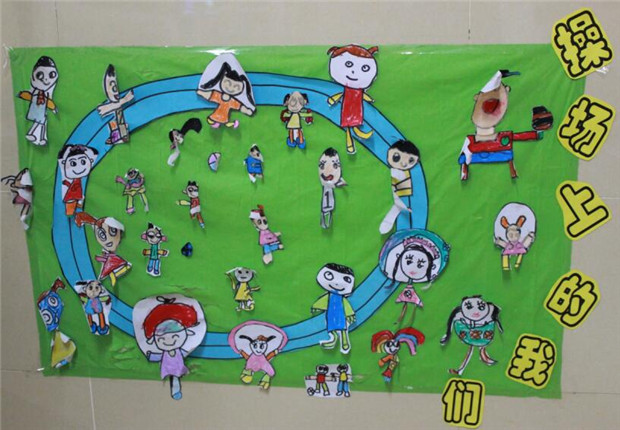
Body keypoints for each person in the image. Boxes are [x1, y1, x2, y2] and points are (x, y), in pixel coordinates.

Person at [327, 45, 379, 154]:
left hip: (356, 109)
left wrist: (369, 99)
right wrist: (333, 99)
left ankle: (357, 135)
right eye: (348, 64)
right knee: (348, 126)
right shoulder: (347, 89)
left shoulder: (358, 90)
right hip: (347, 108)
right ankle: (351, 142)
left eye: (364, 68)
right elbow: (341, 94)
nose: (354, 72)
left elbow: (363, 96)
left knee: (355, 123)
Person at [197, 53, 256, 128]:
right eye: (228, 83)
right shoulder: (219, 96)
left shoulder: (232, 101)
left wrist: (247, 111)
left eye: (236, 87)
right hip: (216, 115)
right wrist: (201, 93)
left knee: (221, 121)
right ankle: (225, 124)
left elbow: (240, 107)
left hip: (224, 117)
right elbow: (210, 95)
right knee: (211, 120)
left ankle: (231, 124)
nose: (231, 88)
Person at [311, 263, 356, 354]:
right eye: (329, 275)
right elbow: (323, 301)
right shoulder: (328, 296)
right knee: (331, 328)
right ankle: (333, 339)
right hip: (331, 315)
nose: (337, 283)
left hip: (340, 315)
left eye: (346, 279)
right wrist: (316, 307)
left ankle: (344, 342)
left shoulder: (342, 299)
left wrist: (350, 314)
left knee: (343, 328)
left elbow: (346, 305)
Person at [379, 139, 420, 234]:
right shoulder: (394, 172)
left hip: (405, 197)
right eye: (396, 157)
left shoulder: (404, 172)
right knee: (396, 208)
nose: (404, 164)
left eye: (410, 160)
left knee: (397, 208)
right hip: (399, 196)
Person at [17, 56, 59, 145]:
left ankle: (41, 137)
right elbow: (29, 96)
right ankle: (33, 134)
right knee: (40, 122)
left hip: (41, 112)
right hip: (36, 111)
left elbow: (48, 102)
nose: (46, 79)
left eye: (51, 75)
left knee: (42, 123)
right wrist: (21, 94)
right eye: (40, 75)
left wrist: (53, 108)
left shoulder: (45, 95)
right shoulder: (36, 92)